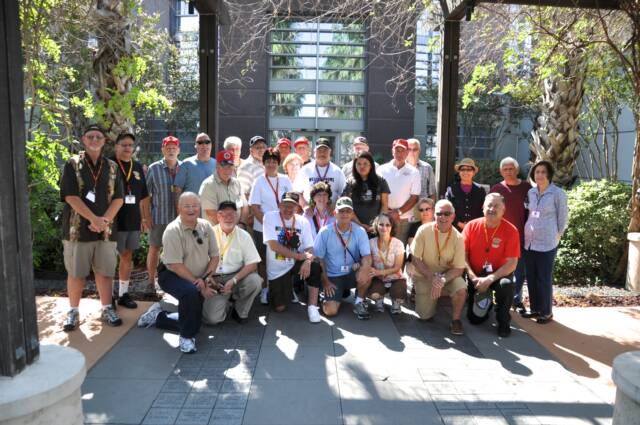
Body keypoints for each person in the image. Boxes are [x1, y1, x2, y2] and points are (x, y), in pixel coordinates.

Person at [60, 124, 124, 331]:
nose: (94, 140)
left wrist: (103, 221)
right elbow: (70, 196)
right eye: (90, 136)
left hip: (106, 231)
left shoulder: (112, 167)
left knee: (105, 273)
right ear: (83, 139)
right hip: (77, 230)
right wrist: (94, 219)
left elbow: (119, 198)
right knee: (76, 273)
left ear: (105, 141)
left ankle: (106, 308)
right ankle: (73, 311)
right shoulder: (72, 164)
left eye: (98, 137)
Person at [137, 192, 219, 353]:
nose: (191, 209)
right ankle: (186, 338)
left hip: (199, 277)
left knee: (195, 321)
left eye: (195, 205)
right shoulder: (172, 230)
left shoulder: (206, 226)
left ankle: (158, 316)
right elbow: (175, 265)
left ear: (199, 207)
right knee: (191, 293)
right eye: (187, 206)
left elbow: (215, 256)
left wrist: (206, 278)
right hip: (171, 275)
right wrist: (198, 283)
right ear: (179, 208)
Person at [462, 193, 519, 337]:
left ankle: (503, 318)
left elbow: (512, 263)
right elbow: (462, 256)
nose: (492, 209)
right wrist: (473, 277)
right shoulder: (471, 226)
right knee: (475, 320)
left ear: (503, 210)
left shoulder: (511, 230)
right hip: (475, 275)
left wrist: (489, 279)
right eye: (489, 205)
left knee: (507, 285)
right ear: (483, 208)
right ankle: (486, 304)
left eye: (496, 206)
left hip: (499, 275)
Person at [263, 192, 324, 322]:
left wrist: (307, 261)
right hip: (278, 268)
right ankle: (283, 289)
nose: (288, 209)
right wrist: (299, 256)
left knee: (315, 265)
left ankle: (312, 307)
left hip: (296, 262)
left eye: (292, 206)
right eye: (285, 205)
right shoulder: (269, 217)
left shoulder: (303, 221)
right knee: (279, 308)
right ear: (279, 205)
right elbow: (273, 245)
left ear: (297, 208)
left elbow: (310, 247)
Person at [409, 200, 467, 335]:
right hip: (425, 275)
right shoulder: (423, 230)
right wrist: (432, 278)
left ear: (453, 216)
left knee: (461, 289)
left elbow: (459, 269)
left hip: (447, 276)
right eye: (439, 213)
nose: (443, 217)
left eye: (447, 214)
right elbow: (415, 259)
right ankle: (430, 295)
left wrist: (442, 280)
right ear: (434, 215)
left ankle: (456, 320)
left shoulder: (458, 238)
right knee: (424, 316)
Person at [522, 160, 568, 324]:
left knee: (544, 278)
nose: (539, 175)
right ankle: (535, 308)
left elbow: (563, 218)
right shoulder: (531, 192)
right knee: (531, 277)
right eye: (537, 172)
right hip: (530, 242)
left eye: (543, 172)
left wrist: (557, 236)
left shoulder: (557, 193)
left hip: (547, 243)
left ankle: (546, 312)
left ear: (549, 174)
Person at [201, 201, 262, 325]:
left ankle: (240, 310)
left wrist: (234, 280)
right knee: (212, 319)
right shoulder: (208, 234)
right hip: (213, 279)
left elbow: (253, 264)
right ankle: (226, 303)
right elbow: (200, 261)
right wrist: (208, 278)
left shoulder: (244, 235)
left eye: (232, 214)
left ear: (237, 216)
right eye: (224, 214)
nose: (228, 218)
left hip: (236, 277)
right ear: (218, 216)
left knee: (255, 281)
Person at [314, 197, 372, 319]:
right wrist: (325, 282)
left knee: (368, 271)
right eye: (341, 211)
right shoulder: (325, 232)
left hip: (352, 272)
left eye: (348, 211)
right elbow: (319, 259)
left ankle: (359, 302)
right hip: (333, 276)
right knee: (330, 311)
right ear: (335, 213)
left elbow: (367, 256)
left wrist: (365, 268)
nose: (345, 214)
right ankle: (324, 295)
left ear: (352, 214)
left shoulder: (360, 231)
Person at [248, 148, 293, 303]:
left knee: (285, 257)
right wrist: (268, 226)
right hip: (262, 228)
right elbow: (255, 207)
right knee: (264, 260)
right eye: (268, 161)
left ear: (278, 163)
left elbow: (292, 204)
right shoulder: (259, 181)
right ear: (264, 163)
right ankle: (265, 289)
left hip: (284, 228)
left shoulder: (285, 180)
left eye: (274, 161)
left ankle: (288, 289)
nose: (271, 164)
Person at [111, 131, 149, 309]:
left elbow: (143, 196)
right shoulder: (109, 165)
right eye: (124, 145)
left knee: (127, 256)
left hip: (132, 220)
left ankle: (123, 294)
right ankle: (107, 296)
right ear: (116, 146)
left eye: (130, 145)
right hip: (112, 221)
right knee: (109, 260)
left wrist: (144, 218)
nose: (127, 148)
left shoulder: (138, 166)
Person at [490, 157, 532, 313]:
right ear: (501, 171)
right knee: (499, 268)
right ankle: (499, 299)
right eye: (505, 169)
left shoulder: (527, 187)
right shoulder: (497, 189)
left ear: (517, 170)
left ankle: (516, 300)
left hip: (521, 236)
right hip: (500, 237)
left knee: (519, 271)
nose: (508, 172)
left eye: (511, 169)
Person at [144, 135, 181, 288]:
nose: (171, 151)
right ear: (162, 150)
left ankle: (176, 282)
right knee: (154, 248)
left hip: (179, 219)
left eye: (174, 148)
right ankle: (151, 282)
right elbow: (145, 195)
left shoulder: (184, 167)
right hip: (159, 216)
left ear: (178, 150)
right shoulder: (154, 168)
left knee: (178, 251)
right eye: (168, 148)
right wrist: (146, 217)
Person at [377, 138, 421, 244]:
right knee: (383, 247)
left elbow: (414, 197)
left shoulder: (414, 172)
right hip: (383, 216)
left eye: (403, 151)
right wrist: (386, 211)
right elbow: (377, 193)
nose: (400, 154)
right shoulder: (381, 170)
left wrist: (398, 212)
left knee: (399, 249)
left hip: (403, 219)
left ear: (407, 152)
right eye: (397, 150)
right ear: (392, 151)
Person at [341, 151, 389, 234]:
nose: (362, 166)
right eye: (359, 164)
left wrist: (377, 224)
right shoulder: (350, 183)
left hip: (376, 228)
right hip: (355, 228)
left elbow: (384, 206)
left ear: (371, 165)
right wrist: (360, 225)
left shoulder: (381, 181)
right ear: (355, 166)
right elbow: (347, 207)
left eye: (365, 163)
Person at [367, 213, 406, 314]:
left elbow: (397, 267)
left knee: (399, 294)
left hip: (396, 278)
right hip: (378, 278)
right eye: (381, 224)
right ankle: (379, 299)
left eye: (388, 225)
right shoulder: (371, 243)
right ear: (376, 225)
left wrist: (379, 272)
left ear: (392, 227)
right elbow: (367, 262)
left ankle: (396, 302)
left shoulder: (398, 243)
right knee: (374, 294)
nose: (384, 228)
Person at [199, 149, 248, 226]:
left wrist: (242, 224)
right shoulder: (208, 184)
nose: (227, 170)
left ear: (234, 167)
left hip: (237, 229)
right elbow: (211, 213)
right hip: (216, 231)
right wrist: (230, 229)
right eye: (223, 166)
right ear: (217, 166)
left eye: (230, 166)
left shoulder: (237, 183)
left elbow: (245, 206)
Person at [293, 138, 346, 207]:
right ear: (314, 152)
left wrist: (335, 208)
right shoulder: (305, 170)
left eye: (325, 150)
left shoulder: (337, 171)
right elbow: (296, 191)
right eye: (319, 150)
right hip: (311, 211)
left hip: (331, 211)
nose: (322, 153)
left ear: (330, 152)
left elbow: (343, 193)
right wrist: (305, 206)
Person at [446, 158, 486, 231]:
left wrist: (472, 225)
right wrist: (459, 224)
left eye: (469, 169)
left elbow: (483, 211)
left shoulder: (480, 190)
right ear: (459, 172)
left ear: (473, 172)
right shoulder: (451, 189)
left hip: (475, 229)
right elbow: (447, 210)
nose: (465, 172)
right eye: (463, 169)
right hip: (455, 229)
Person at [174, 132, 216, 199]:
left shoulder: (217, 164)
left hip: (211, 205)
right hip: (190, 205)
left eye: (207, 142)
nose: (204, 145)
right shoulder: (186, 164)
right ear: (195, 145)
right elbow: (177, 189)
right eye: (200, 142)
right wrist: (178, 205)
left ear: (211, 144)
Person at [237, 135, 267, 201]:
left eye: (263, 147)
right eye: (258, 148)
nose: (261, 150)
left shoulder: (266, 164)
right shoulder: (246, 167)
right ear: (251, 151)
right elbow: (242, 194)